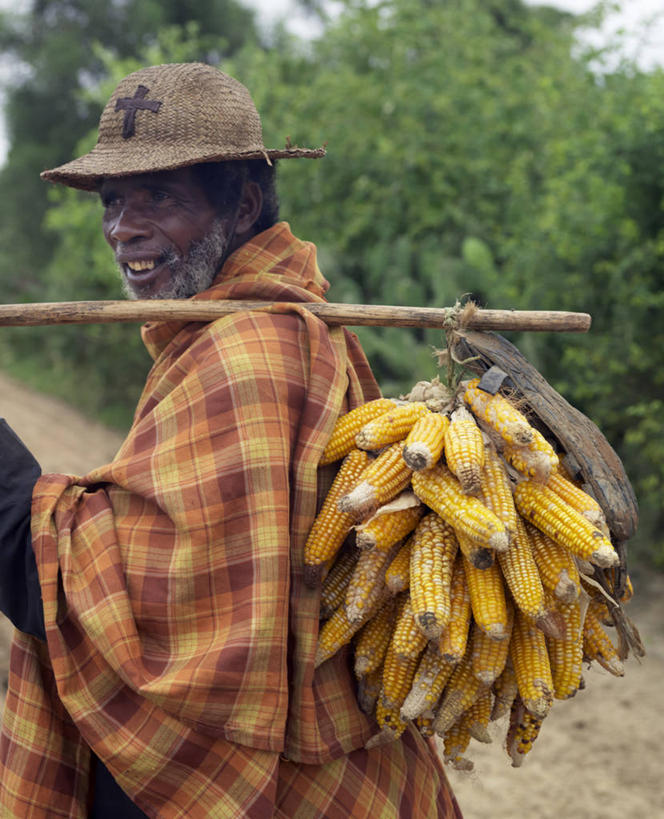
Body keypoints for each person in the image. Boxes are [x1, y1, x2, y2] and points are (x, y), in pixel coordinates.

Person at [0, 63, 462, 817]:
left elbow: (101, 595)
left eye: (159, 195)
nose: (124, 228)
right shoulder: (249, 329)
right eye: (114, 201)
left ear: (243, 202)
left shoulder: (251, 352)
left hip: (275, 772)